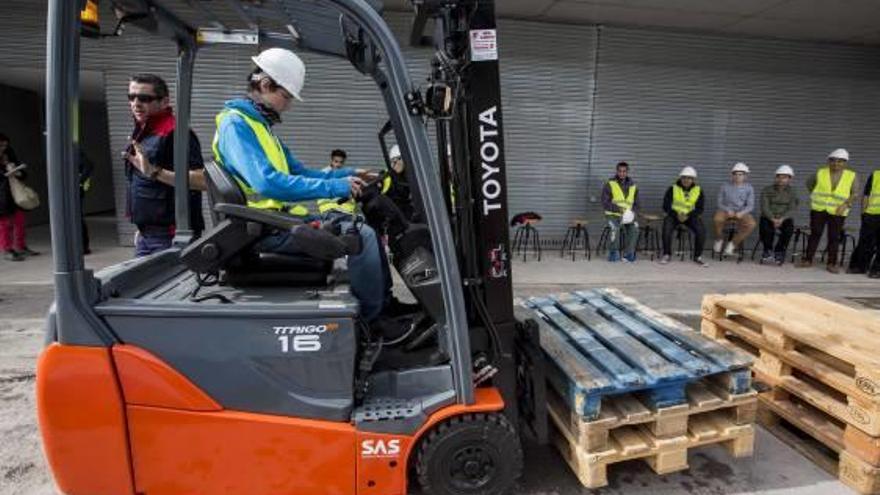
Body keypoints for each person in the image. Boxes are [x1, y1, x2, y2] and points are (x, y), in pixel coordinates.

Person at [213, 47, 395, 323]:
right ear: (264, 85)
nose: (288, 105)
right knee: (362, 237)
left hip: (274, 221)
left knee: (362, 228)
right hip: (262, 228)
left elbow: (301, 171)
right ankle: (374, 320)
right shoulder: (236, 126)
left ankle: (386, 303)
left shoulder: (260, 127)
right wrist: (336, 188)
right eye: (285, 97)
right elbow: (268, 184)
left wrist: (348, 174)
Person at [124, 73, 207, 257]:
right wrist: (142, 228)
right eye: (131, 97)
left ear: (164, 102)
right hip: (148, 234)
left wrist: (155, 172)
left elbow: (202, 181)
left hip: (171, 236)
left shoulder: (175, 132)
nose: (136, 103)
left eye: (144, 98)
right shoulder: (144, 130)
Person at [797, 148, 860, 274]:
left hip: (838, 210)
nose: (836, 164)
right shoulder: (820, 172)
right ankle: (808, 260)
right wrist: (815, 195)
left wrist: (845, 205)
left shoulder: (851, 175)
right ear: (828, 161)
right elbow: (809, 184)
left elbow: (855, 193)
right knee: (815, 233)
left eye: (840, 161)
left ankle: (832, 263)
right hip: (819, 209)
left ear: (845, 163)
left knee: (834, 237)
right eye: (833, 161)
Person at [660, 166, 708, 267]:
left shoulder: (698, 190)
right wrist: (676, 214)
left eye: (689, 178)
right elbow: (666, 206)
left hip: (690, 216)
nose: (686, 180)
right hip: (674, 215)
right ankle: (666, 254)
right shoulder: (672, 188)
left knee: (701, 230)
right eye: (684, 177)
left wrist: (688, 215)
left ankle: (697, 256)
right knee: (666, 228)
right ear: (681, 178)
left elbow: (700, 208)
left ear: (693, 179)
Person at [0, 134, 37, 261]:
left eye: (5, 145)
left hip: (15, 193)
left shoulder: (10, 154)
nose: (3, 148)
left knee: (19, 221)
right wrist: (6, 172)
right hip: (2, 195)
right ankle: (7, 249)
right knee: (4, 223)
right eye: (1, 145)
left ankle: (21, 246)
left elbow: (23, 174)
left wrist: (18, 172)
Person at [713, 162, 756, 257]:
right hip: (726, 210)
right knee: (717, 219)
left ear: (745, 176)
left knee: (751, 224)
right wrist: (727, 210)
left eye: (740, 174)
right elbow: (719, 202)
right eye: (735, 174)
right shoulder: (724, 186)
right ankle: (719, 239)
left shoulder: (749, 188)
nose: (737, 177)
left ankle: (732, 244)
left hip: (741, 211)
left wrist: (742, 213)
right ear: (732, 175)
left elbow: (750, 205)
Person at [758, 165, 798, 265]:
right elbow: (764, 206)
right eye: (779, 177)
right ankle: (767, 250)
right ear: (775, 178)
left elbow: (792, 208)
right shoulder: (767, 190)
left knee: (789, 229)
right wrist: (772, 219)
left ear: (790, 179)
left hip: (784, 217)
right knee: (765, 228)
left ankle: (779, 251)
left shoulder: (793, 192)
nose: (781, 179)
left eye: (784, 177)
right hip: (768, 216)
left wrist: (782, 219)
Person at [601, 161, 639, 262]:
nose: (622, 173)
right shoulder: (610, 184)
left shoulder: (633, 186)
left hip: (628, 216)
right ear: (617, 171)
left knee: (635, 228)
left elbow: (637, 204)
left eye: (624, 171)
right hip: (612, 215)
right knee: (615, 228)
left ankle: (629, 254)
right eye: (620, 171)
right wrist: (619, 209)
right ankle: (613, 253)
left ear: (627, 172)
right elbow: (605, 203)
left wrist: (633, 213)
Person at [848, 167, 880, 277]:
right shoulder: (876, 175)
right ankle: (858, 267)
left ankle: (876, 270)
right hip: (871, 214)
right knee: (865, 242)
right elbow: (866, 195)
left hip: (871, 214)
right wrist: (863, 213)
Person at [382, 144, 416, 222]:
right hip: (392, 216)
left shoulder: (410, 175)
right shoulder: (386, 175)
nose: (395, 163)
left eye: (398, 160)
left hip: (406, 214)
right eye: (393, 160)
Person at [79, 149, 94, 255]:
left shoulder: (74, 151)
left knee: (77, 218)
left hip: (76, 190)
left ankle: (83, 246)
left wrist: (78, 181)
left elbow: (88, 166)